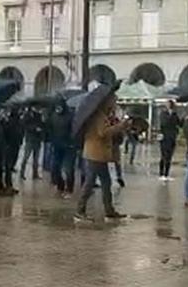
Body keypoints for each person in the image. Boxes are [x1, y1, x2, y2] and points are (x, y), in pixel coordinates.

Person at [74, 93, 129, 222]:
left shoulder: (103, 115)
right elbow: (103, 132)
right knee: (91, 183)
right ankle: (80, 211)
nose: (114, 105)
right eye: (113, 102)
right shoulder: (98, 116)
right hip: (95, 154)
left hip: (99, 155)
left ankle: (109, 211)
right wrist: (120, 126)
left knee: (104, 182)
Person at [48, 101, 75, 196]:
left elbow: (74, 130)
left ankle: (69, 189)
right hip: (57, 145)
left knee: (68, 169)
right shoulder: (53, 116)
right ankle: (60, 186)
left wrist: (72, 142)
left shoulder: (71, 116)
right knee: (55, 167)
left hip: (69, 146)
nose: (58, 108)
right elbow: (50, 129)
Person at [1, 108, 23, 193]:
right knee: (8, 167)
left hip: (13, 146)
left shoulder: (15, 122)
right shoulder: (11, 122)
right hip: (11, 146)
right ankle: (8, 186)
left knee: (9, 167)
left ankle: (9, 185)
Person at [157, 101, 181, 181]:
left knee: (169, 156)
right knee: (164, 155)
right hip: (164, 137)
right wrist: (170, 116)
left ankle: (166, 173)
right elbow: (164, 123)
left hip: (172, 137)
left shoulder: (175, 114)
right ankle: (161, 173)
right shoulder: (163, 114)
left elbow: (179, 123)